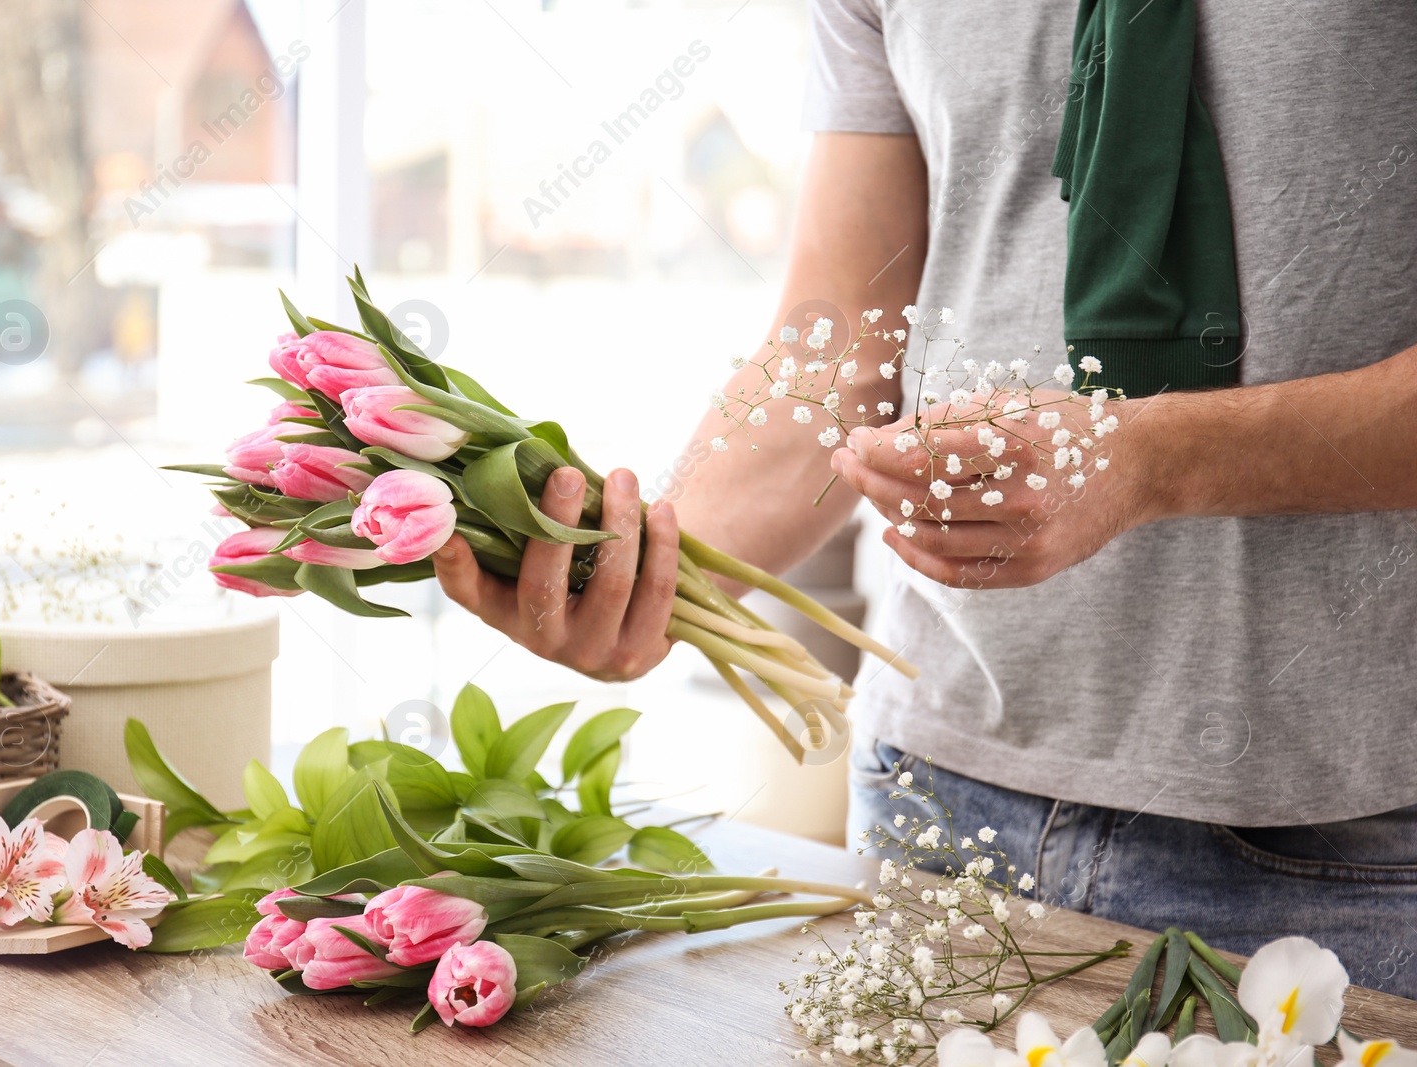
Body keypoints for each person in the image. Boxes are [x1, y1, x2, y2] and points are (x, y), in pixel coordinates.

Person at [435, 0, 1417, 999]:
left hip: (1352, 841)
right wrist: (652, 576)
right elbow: (847, 332)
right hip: (934, 802)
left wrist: (1150, 459)